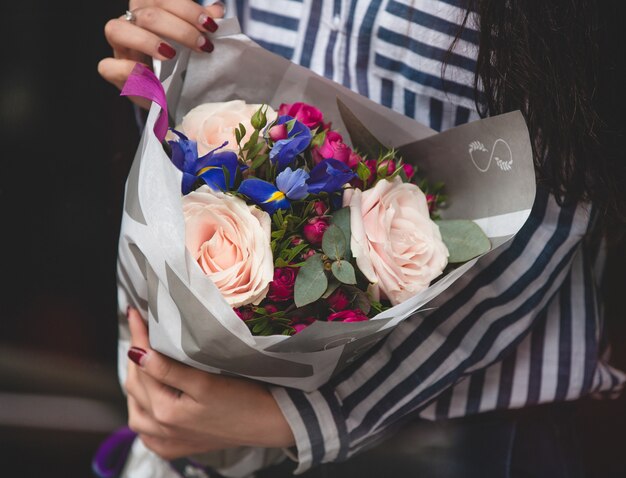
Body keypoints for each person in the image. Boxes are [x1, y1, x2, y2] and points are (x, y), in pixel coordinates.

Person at [97, 1, 626, 477]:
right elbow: (208, 115)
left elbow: (562, 196)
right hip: (206, 410)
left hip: (455, 437)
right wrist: (163, 73)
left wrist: (306, 419)